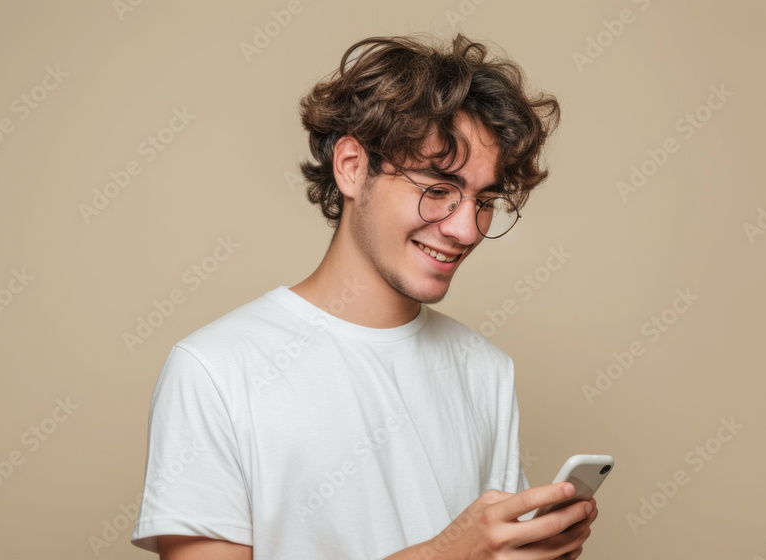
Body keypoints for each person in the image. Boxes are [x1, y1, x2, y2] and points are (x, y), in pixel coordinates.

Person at [131, 32, 598, 559]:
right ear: (352, 167)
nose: (466, 229)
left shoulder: (486, 369)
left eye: (484, 200)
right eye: (438, 189)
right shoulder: (214, 371)